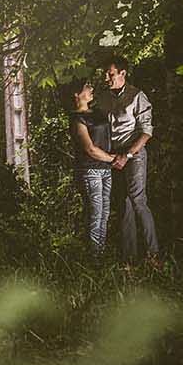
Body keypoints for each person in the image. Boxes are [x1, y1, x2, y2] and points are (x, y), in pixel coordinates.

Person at [101, 55, 158, 261]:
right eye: (105, 74)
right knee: (123, 204)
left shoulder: (137, 96)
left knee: (138, 200)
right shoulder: (103, 98)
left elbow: (146, 132)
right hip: (113, 156)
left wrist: (128, 155)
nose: (106, 78)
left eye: (110, 74)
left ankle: (153, 255)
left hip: (134, 154)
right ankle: (129, 259)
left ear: (123, 73)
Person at [69, 80, 115, 256]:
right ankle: (94, 256)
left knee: (105, 213)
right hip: (90, 170)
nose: (90, 89)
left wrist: (110, 161)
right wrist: (113, 159)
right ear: (76, 95)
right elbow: (89, 149)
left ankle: (100, 252)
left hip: (105, 169)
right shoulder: (77, 119)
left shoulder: (97, 113)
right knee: (95, 213)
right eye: (86, 88)